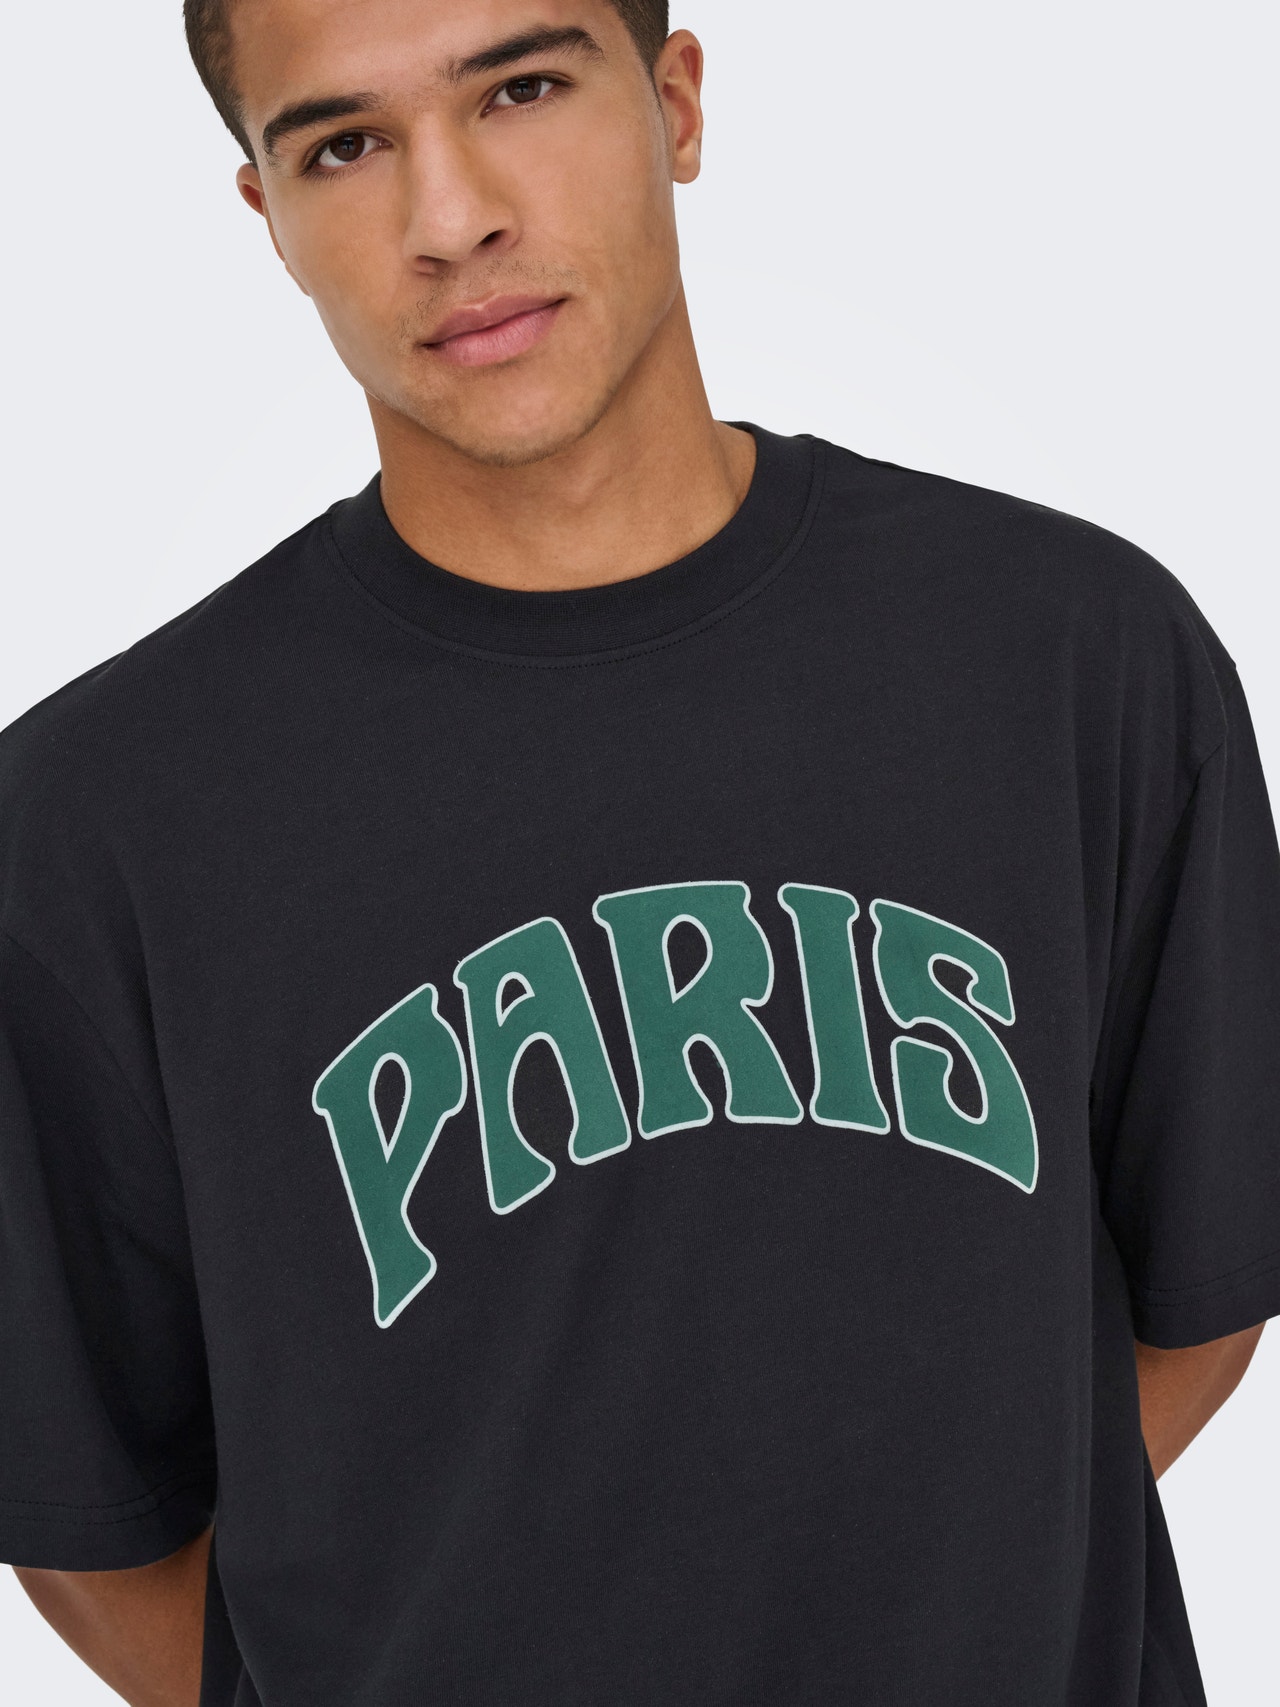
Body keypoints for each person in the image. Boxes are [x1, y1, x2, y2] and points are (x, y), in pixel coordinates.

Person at [1, 0, 1276, 1701]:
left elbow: (1202, 1289)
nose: (451, 217)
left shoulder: (1071, 656)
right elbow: (91, 1518)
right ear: (267, 214)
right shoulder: (95, 820)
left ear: (675, 103)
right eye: (345, 145)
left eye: (521, 88)